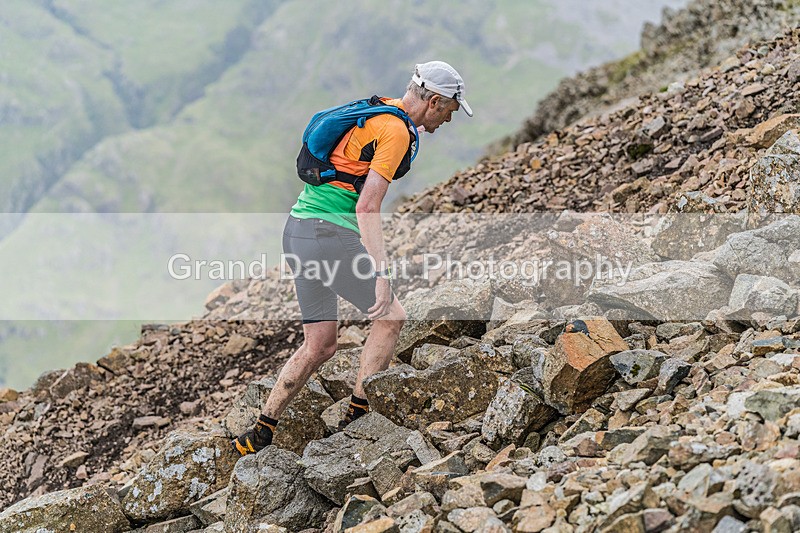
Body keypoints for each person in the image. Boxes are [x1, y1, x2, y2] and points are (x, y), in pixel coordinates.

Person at [232, 61, 472, 456]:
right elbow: (367, 207)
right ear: (434, 101)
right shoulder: (395, 131)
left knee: (320, 345)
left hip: (297, 232)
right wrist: (381, 272)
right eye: (449, 110)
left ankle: (258, 432)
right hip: (328, 235)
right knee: (391, 316)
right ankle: (360, 417)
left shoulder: (378, 110)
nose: (448, 120)